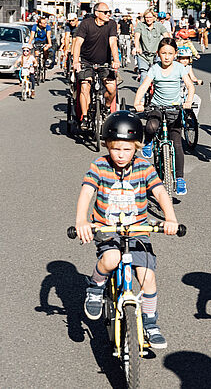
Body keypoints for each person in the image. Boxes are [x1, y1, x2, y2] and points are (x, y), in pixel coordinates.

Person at [74, 111, 180, 349]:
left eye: (127, 149)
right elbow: (87, 192)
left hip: (138, 228)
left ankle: (150, 322)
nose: (121, 155)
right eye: (115, 149)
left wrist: (170, 218)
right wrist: (82, 220)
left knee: (147, 276)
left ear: (136, 147)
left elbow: (161, 192)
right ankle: (95, 286)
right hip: (107, 227)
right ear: (107, 146)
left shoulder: (144, 167)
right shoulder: (99, 166)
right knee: (111, 259)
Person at [133, 38, 195, 195]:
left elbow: (190, 86)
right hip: (157, 106)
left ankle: (180, 179)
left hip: (175, 108)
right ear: (158, 54)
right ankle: (148, 142)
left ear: (175, 54)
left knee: (177, 143)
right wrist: (137, 102)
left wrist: (188, 101)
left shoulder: (180, 68)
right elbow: (144, 86)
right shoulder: (154, 69)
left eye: (170, 53)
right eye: (163, 53)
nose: (167, 57)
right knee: (151, 126)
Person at [72, 2, 120, 128]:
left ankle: (106, 107)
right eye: (105, 12)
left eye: (109, 12)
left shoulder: (111, 24)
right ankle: (85, 117)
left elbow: (113, 43)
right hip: (86, 61)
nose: (108, 14)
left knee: (111, 88)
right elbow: (78, 44)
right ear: (97, 13)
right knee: (85, 86)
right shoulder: (86, 24)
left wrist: (116, 60)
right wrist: (76, 61)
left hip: (104, 62)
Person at [133, 9, 172, 82]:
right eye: (146, 17)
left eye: (150, 17)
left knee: (159, 74)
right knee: (144, 75)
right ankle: (142, 93)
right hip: (143, 55)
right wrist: (137, 48)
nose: (148, 19)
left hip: (156, 54)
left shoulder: (159, 25)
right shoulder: (140, 25)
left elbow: (166, 36)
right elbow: (136, 37)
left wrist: (169, 47)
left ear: (154, 18)